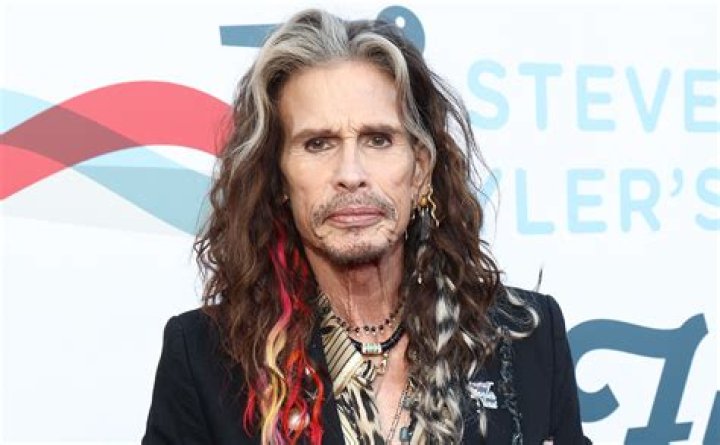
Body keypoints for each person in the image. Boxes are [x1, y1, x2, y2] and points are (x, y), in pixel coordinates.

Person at [142, 8, 590, 445]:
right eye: (318, 144)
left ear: (420, 170)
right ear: (278, 179)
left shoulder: (525, 338)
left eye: (378, 139)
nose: (351, 173)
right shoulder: (206, 360)